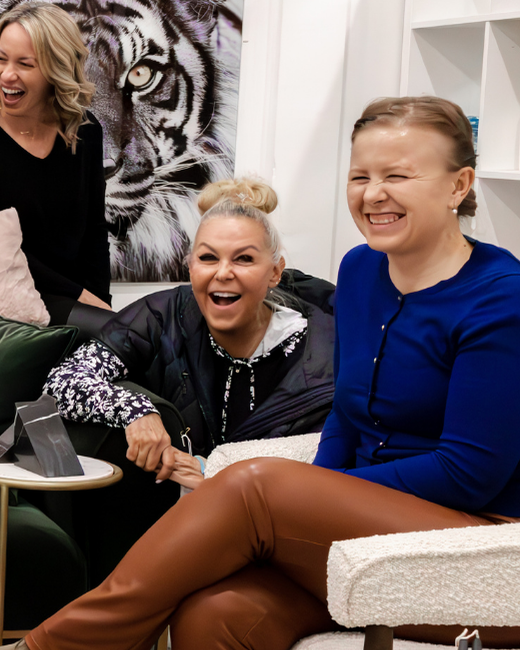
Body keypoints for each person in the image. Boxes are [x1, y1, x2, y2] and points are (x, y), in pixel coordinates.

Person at [0, 96, 520, 650]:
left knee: (256, 483)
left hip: (485, 557)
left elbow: (469, 473)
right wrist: (319, 509)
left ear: (459, 185)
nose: (373, 194)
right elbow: (347, 423)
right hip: (381, 539)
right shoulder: (363, 275)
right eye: (361, 176)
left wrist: (311, 504)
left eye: (398, 176)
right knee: (213, 619)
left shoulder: (506, 300)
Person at [42, 178, 336, 487]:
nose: (223, 273)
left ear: (275, 272)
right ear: (190, 266)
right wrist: (135, 410)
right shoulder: (163, 315)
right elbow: (61, 382)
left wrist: (215, 470)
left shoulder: (324, 344)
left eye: (244, 259)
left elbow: (335, 447)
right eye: (208, 258)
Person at [0, 1, 111, 324]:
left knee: (146, 329)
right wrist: (85, 303)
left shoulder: (86, 131)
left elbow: (94, 233)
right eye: (0, 59)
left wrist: (102, 305)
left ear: (57, 70)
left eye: (25, 64)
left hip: (71, 303)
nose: (6, 74)